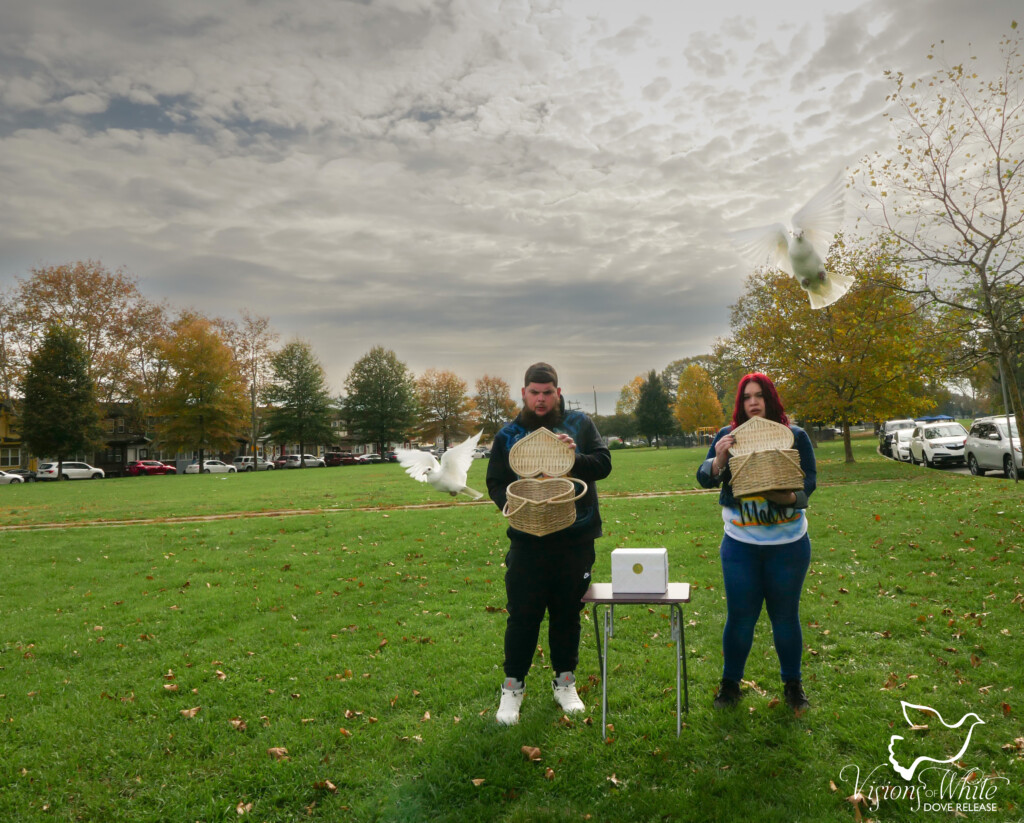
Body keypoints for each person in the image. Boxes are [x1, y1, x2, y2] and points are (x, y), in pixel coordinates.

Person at [486, 362, 612, 725]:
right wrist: (510, 506)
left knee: (567, 614)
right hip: (527, 541)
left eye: (547, 392)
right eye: (534, 392)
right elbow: (495, 481)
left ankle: (565, 681)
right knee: (523, 615)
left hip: (575, 537)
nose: (541, 399)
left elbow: (602, 465)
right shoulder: (509, 434)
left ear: (557, 392)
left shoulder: (579, 425)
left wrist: (574, 458)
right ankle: (512, 688)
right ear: (523, 393)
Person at [696, 373, 817, 713]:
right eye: (747, 396)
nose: (753, 401)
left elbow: (809, 485)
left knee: (785, 617)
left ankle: (793, 686)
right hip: (741, 544)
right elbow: (704, 477)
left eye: (760, 395)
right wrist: (719, 458)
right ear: (740, 402)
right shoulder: (727, 436)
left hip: (788, 544)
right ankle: (730, 686)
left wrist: (784, 495)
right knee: (740, 618)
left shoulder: (794, 436)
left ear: (771, 399)